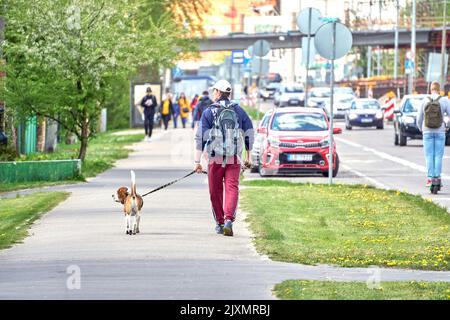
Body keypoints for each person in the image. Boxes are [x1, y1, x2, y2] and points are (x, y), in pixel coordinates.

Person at [194, 80, 254, 237]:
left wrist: (197, 161)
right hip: (234, 157)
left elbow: (200, 137)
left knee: (215, 190)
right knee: (232, 187)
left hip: (215, 158)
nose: (214, 94)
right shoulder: (238, 110)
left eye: (215, 91)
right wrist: (248, 156)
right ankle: (229, 220)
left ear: (218, 93)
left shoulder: (209, 111)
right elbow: (249, 131)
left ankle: (220, 223)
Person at [417, 81, 450, 187]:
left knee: (429, 155)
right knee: (438, 156)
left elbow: (419, 118)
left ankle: (430, 178)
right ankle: (437, 177)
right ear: (439, 89)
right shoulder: (444, 100)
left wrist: (421, 128)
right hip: (440, 131)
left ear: (430, 89)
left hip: (427, 131)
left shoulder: (424, 100)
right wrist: (447, 126)